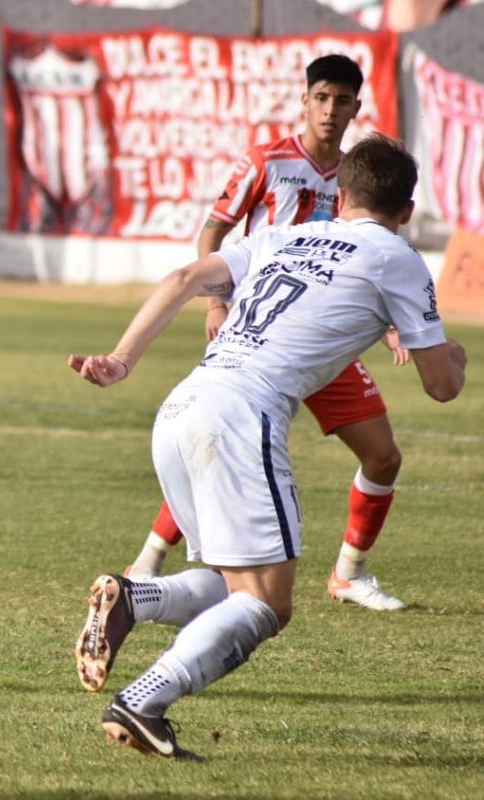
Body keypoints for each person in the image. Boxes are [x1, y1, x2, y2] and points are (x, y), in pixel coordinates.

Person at [69, 134, 465, 760]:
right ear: (407, 211)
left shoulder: (288, 235)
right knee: (267, 606)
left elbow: (183, 275)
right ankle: (146, 699)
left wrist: (121, 359)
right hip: (241, 417)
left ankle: (133, 596)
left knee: (236, 586)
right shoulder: (400, 256)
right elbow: (440, 386)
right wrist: (458, 358)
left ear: (341, 194)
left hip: (181, 404)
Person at [126, 54, 411, 612]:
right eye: (321, 98)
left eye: (342, 101)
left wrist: (393, 327)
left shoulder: (362, 178)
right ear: (304, 101)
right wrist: (217, 299)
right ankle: (148, 562)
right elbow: (212, 235)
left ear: (357, 107)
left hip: (322, 340)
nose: (330, 111)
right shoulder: (266, 162)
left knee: (382, 456)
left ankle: (349, 573)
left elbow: (372, 267)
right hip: (259, 332)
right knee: (220, 441)